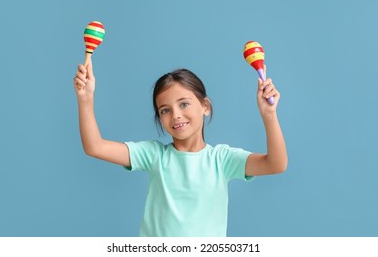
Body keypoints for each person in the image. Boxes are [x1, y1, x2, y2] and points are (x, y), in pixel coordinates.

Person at [73, 60, 287, 237]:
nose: (175, 114)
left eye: (184, 104)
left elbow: (276, 164)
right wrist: (85, 99)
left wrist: (269, 115)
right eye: (165, 110)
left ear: (205, 106)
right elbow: (95, 147)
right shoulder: (154, 155)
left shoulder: (222, 160)